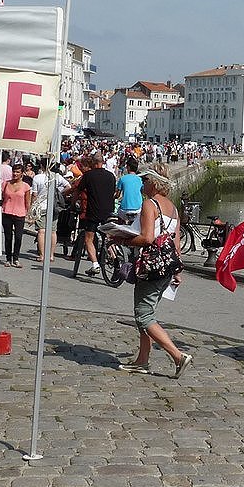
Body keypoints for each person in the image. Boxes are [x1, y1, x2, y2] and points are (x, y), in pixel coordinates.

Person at [111, 164, 193, 378]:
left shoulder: (150, 204)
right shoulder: (173, 208)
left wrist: (121, 239)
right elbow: (176, 243)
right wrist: (177, 271)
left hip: (151, 266)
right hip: (166, 266)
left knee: (144, 315)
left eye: (145, 179)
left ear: (154, 182)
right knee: (148, 313)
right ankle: (142, 359)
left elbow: (147, 238)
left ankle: (178, 356)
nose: (142, 183)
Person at [70, 154, 117, 275]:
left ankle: (95, 264)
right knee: (108, 237)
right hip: (109, 211)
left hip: (93, 211)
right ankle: (115, 258)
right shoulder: (111, 176)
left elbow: (78, 190)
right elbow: (114, 193)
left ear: (94, 163)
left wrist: (73, 203)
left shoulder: (89, 175)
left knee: (88, 238)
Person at [29, 159, 69, 263]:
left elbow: (34, 195)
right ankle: (51, 255)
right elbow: (68, 186)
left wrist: (31, 208)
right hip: (54, 206)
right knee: (53, 231)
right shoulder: (56, 176)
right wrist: (59, 194)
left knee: (41, 231)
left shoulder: (37, 177)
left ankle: (42, 255)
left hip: (40, 206)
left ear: (42, 166)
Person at [1, 161, 32, 267]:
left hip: (20, 214)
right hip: (7, 212)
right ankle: (8, 258)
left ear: (22, 173)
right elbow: (1, 198)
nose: (15, 174)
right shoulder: (5, 184)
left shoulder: (26, 186)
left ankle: (16, 258)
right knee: (8, 237)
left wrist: (29, 215)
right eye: (14, 171)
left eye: (18, 172)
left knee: (18, 237)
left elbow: (28, 202)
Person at [115, 158, 144, 223]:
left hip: (125, 208)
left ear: (128, 167)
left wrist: (113, 197)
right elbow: (142, 192)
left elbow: (117, 195)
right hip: (137, 208)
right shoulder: (140, 179)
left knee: (119, 216)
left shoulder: (122, 178)